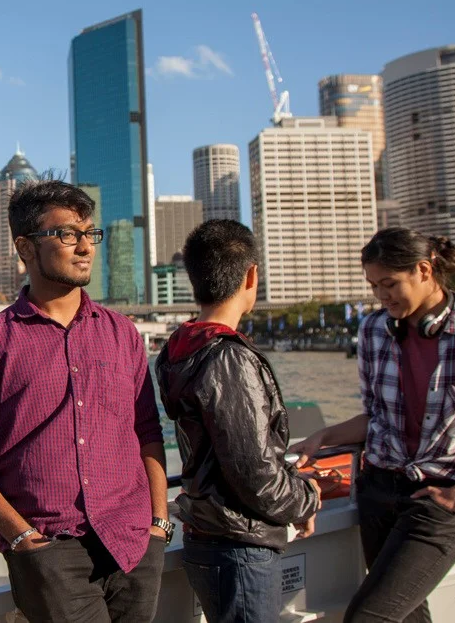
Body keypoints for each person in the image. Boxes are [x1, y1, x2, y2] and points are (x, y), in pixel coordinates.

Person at [0, 181, 169, 623]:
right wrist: (20, 535)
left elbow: (147, 432)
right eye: (67, 234)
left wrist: (158, 524)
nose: (85, 247)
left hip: (134, 542)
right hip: (49, 551)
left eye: (89, 233)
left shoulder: (122, 333)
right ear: (26, 248)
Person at [291, 227, 455, 623]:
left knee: (369, 616)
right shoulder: (372, 330)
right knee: (406, 614)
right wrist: (324, 436)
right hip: (379, 490)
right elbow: (376, 417)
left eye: (390, 284)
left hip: (441, 497)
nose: (382, 296)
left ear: (424, 270)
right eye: (374, 286)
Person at [154, 220, 321, 623]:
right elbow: (255, 473)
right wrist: (307, 497)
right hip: (240, 544)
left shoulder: (178, 350)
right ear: (252, 276)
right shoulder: (228, 358)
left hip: (209, 536)